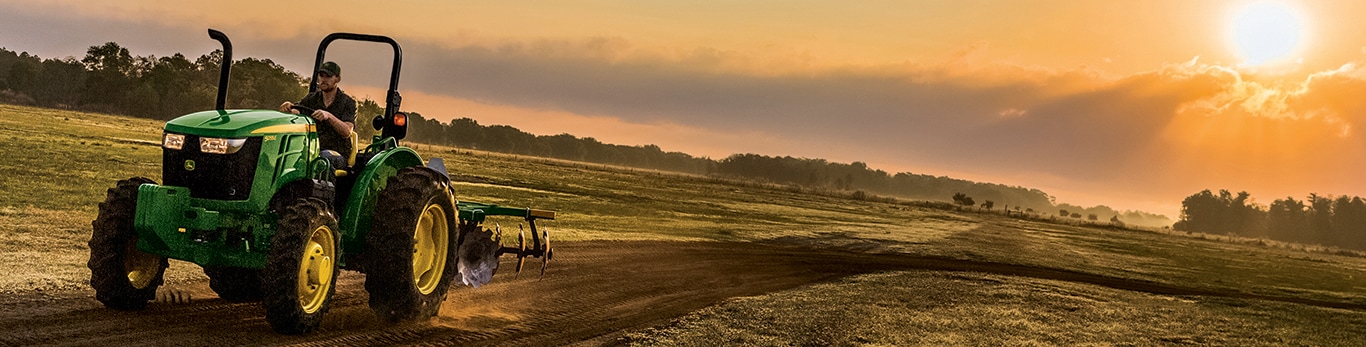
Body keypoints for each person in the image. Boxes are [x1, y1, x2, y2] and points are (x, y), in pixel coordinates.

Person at [279, 61, 356, 162]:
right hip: (312, 148)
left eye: (328, 76)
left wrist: (328, 116)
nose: (323, 80)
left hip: (337, 153)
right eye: (321, 76)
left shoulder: (347, 102)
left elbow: (347, 132)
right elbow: (297, 110)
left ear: (337, 79)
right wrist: (288, 107)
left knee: (321, 158)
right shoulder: (312, 98)